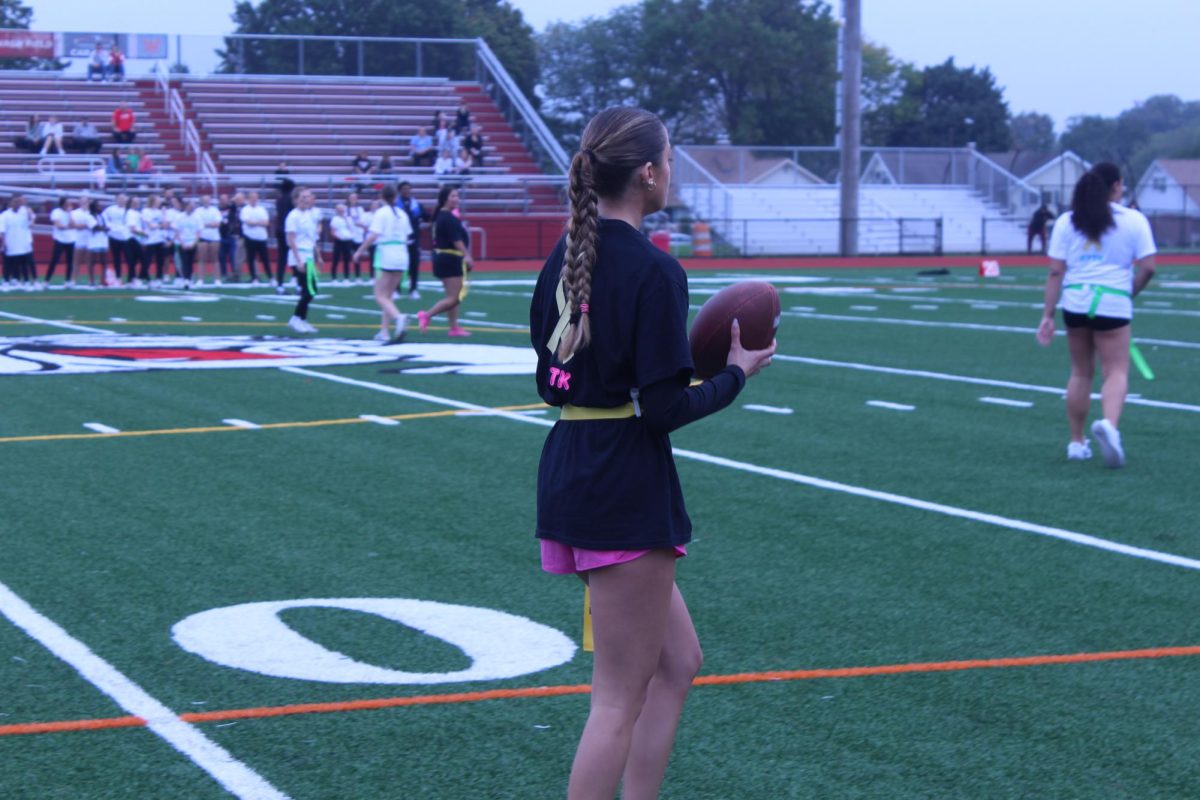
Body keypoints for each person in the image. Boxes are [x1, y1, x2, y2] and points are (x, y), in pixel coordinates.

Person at [529, 107, 775, 800]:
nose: (672, 169)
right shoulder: (654, 269)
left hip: (572, 463)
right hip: (623, 483)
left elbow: (549, 382)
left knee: (678, 663)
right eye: (668, 157)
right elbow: (664, 410)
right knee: (616, 697)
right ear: (647, 172)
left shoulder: (563, 259)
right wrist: (736, 374)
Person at [1036, 162, 1157, 469]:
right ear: (1116, 185)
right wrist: (1129, 292)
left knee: (1080, 372)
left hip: (1076, 300)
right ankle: (1110, 427)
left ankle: (1077, 442)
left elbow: (1055, 272)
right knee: (1115, 371)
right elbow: (1149, 266)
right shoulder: (1133, 219)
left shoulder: (1067, 220)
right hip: (1113, 301)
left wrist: (1047, 315)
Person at [355, 183, 411, 342]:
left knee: (379, 295)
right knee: (388, 296)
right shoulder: (402, 213)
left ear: (382, 197)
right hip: (401, 254)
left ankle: (398, 317)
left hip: (387, 254)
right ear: (396, 197)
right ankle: (384, 332)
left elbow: (373, 236)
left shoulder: (381, 213)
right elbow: (407, 236)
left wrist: (359, 251)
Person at [416, 186, 472, 337]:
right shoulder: (447, 217)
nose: (456, 199)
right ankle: (426, 315)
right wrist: (467, 255)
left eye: (457, 196)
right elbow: (457, 240)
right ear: (445, 198)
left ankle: (454, 328)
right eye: (453, 196)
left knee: (452, 296)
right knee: (455, 297)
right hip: (450, 258)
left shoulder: (441, 215)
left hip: (444, 258)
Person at [286, 187, 324, 333]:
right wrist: (298, 260)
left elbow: (312, 238)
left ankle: (301, 319)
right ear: (296, 200)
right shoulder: (293, 216)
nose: (306, 199)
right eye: (303, 197)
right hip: (299, 256)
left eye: (308, 197)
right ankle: (296, 318)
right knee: (308, 290)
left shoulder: (309, 215)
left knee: (311, 290)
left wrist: (318, 255)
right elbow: (291, 239)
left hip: (308, 255)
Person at [0, 195, 37, 289]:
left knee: (24, 264)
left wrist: (30, 216)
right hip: (11, 243)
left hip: (23, 243)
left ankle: (27, 282)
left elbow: (32, 222)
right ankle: (6, 282)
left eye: (18, 202)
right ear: (11, 203)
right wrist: (4, 243)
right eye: (14, 202)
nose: (16, 204)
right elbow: (2, 231)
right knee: (7, 264)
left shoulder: (25, 212)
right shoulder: (4, 215)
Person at [398, 181, 424, 299]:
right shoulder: (395, 205)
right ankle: (396, 290)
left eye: (408, 188)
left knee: (414, 265)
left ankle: (413, 289)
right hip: (400, 239)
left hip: (414, 238)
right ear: (400, 190)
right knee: (399, 265)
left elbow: (425, 216)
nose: (407, 191)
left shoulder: (416, 204)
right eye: (404, 189)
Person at [239, 190, 271, 284]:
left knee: (265, 258)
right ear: (249, 199)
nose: (254, 199)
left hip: (262, 237)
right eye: (252, 198)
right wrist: (259, 222)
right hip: (250, 237)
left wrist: (255, 223)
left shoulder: (262, 209)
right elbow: (247, 222)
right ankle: (254, 277)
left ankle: (270, 277)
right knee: (251, 258)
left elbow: (266, 223)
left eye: (256, 198)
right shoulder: (245, 210)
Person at [46, 197, 77, 287]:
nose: (69, 205)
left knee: (70, 261)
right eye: (67, 203)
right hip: (59, 239)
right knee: (54, 260)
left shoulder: (71, 213)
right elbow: (58, 225)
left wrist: (70, 213)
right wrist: (68, 226)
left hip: (71, 239)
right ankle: (47, 280)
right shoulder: (56, 212)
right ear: (62, 204)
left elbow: (73, 224)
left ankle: (67, 281)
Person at [101, 194, 131, 283]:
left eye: (123, 199)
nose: (122, 200)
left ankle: (130, 278)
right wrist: (108, 226)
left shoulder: (128, 210)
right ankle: (118, 277)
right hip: (114, 236)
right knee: (116, 258)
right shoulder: (110, 209)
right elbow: (103, 218)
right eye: (120, 199)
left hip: (126, 237)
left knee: (129, 258)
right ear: (116, 200)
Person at [173, 198, 201, 289]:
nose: (190, 208)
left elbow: (198, 232)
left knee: (190, 261)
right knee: (184, 261)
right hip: (183, 242)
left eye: (192, 206)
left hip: (192, 242)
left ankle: (189, 278)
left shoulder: (197, 217)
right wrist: (182, 243)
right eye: (189, 206)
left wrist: (194, 243)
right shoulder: (179, 217)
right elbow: (177, 232)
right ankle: (186, 279)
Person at [141, 194, 168, 287]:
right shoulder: (145, 211)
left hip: (159, 239)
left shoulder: (160, 212)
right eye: (157, 200)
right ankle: (146, 278)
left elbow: (164, 225)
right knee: (147, 261)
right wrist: (160, 225)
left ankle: (158, 278)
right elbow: (151, 226)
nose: (159, 202)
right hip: (150, 240)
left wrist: (163, 215)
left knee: (160, 261)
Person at [274, 178, 295, 293]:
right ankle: (298, 283)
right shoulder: (291, 200)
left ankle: (280, 285)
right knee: (295, 256)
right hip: (289, 231)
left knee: (281, 259)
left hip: (280, 230)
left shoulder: (279, 200)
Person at [195, 194, 222, 285]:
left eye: (208, 200)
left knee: (215, 259)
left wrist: (205, 224)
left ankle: (217, 279)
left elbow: (217, 224)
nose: (206, 201)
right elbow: (197, 224)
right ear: (202, 201)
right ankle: (201, 279)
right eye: (204, 200)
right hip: (202, 237)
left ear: (210, 201)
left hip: (214, 237)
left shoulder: (215, 210)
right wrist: (210, 224)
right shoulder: (198, 211)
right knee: (201, 259)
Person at [83, 199, 108, 288]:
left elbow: (106, 226)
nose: (99, 207)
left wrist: (105, 228)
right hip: (94, 242)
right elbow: (94, 227)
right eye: (97, 205)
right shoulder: (89, 216)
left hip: (103, 241)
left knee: (104, 261)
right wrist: (104, 228)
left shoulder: (101, 215)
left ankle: (103, 280)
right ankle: (91, 280)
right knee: (92, 261)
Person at [217, 193, 242, 283]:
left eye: (225, 199)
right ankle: (224, 274)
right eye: (222, 199)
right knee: (221, 256)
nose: (223, 200)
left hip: (230, 235)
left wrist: (230, 200)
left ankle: (234, 275)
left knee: (233, 256)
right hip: (220, 236)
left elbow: (237, 198)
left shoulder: (232, 207)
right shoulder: (217, 209)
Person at [329, 203, 355, 285]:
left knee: (347, 260)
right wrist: (338, 237)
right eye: (339, 209)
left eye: (343, 209)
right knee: (335, 259)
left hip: (347, 241)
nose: (341, 211)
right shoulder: (334, 219)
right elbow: (332, 232)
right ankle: (334, 278)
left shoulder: (348, 219)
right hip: (338, 241)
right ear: (337, 211)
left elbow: (351, 229)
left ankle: (346, 278)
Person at [346, 192, 369, 284]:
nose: (353, 199)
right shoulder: (346, 209)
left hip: (358, 236)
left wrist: (360, 225)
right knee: (347, 257)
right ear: (348, 199)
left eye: (355, 198)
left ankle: (358, 276)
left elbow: (362, 221)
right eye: (351, 198)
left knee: (357, 257)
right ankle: (346, 277)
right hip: (348, 236)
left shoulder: (360, 209)